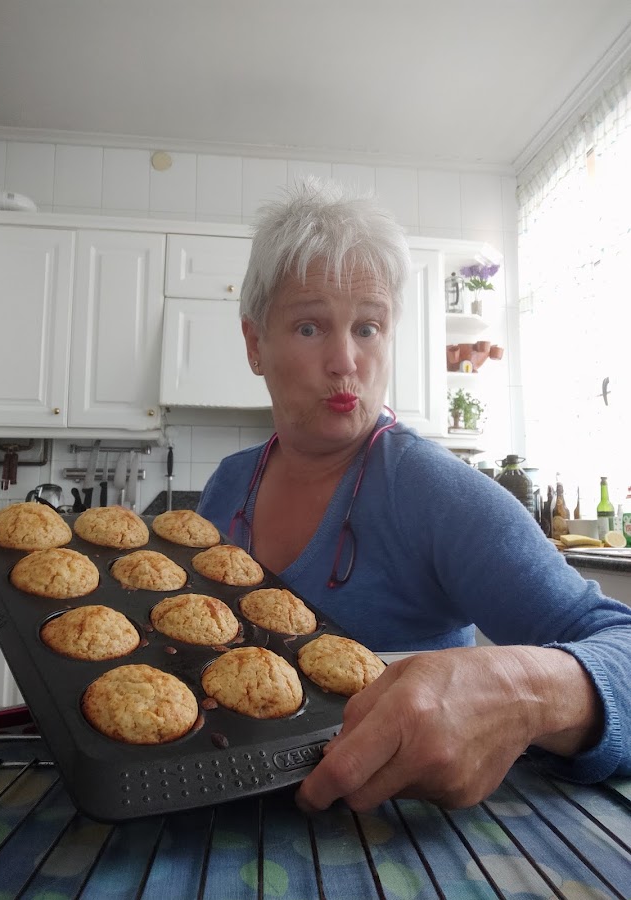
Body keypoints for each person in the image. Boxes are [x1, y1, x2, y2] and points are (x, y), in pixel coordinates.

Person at [197, 178, 631, 812]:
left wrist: (521, 691)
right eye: (310, 327)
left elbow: (618, 642)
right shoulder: (228, 485)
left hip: (399, 832)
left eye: (368, 327)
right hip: (213, 811)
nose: (345, 361)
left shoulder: (433, 491)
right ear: (255, 343)